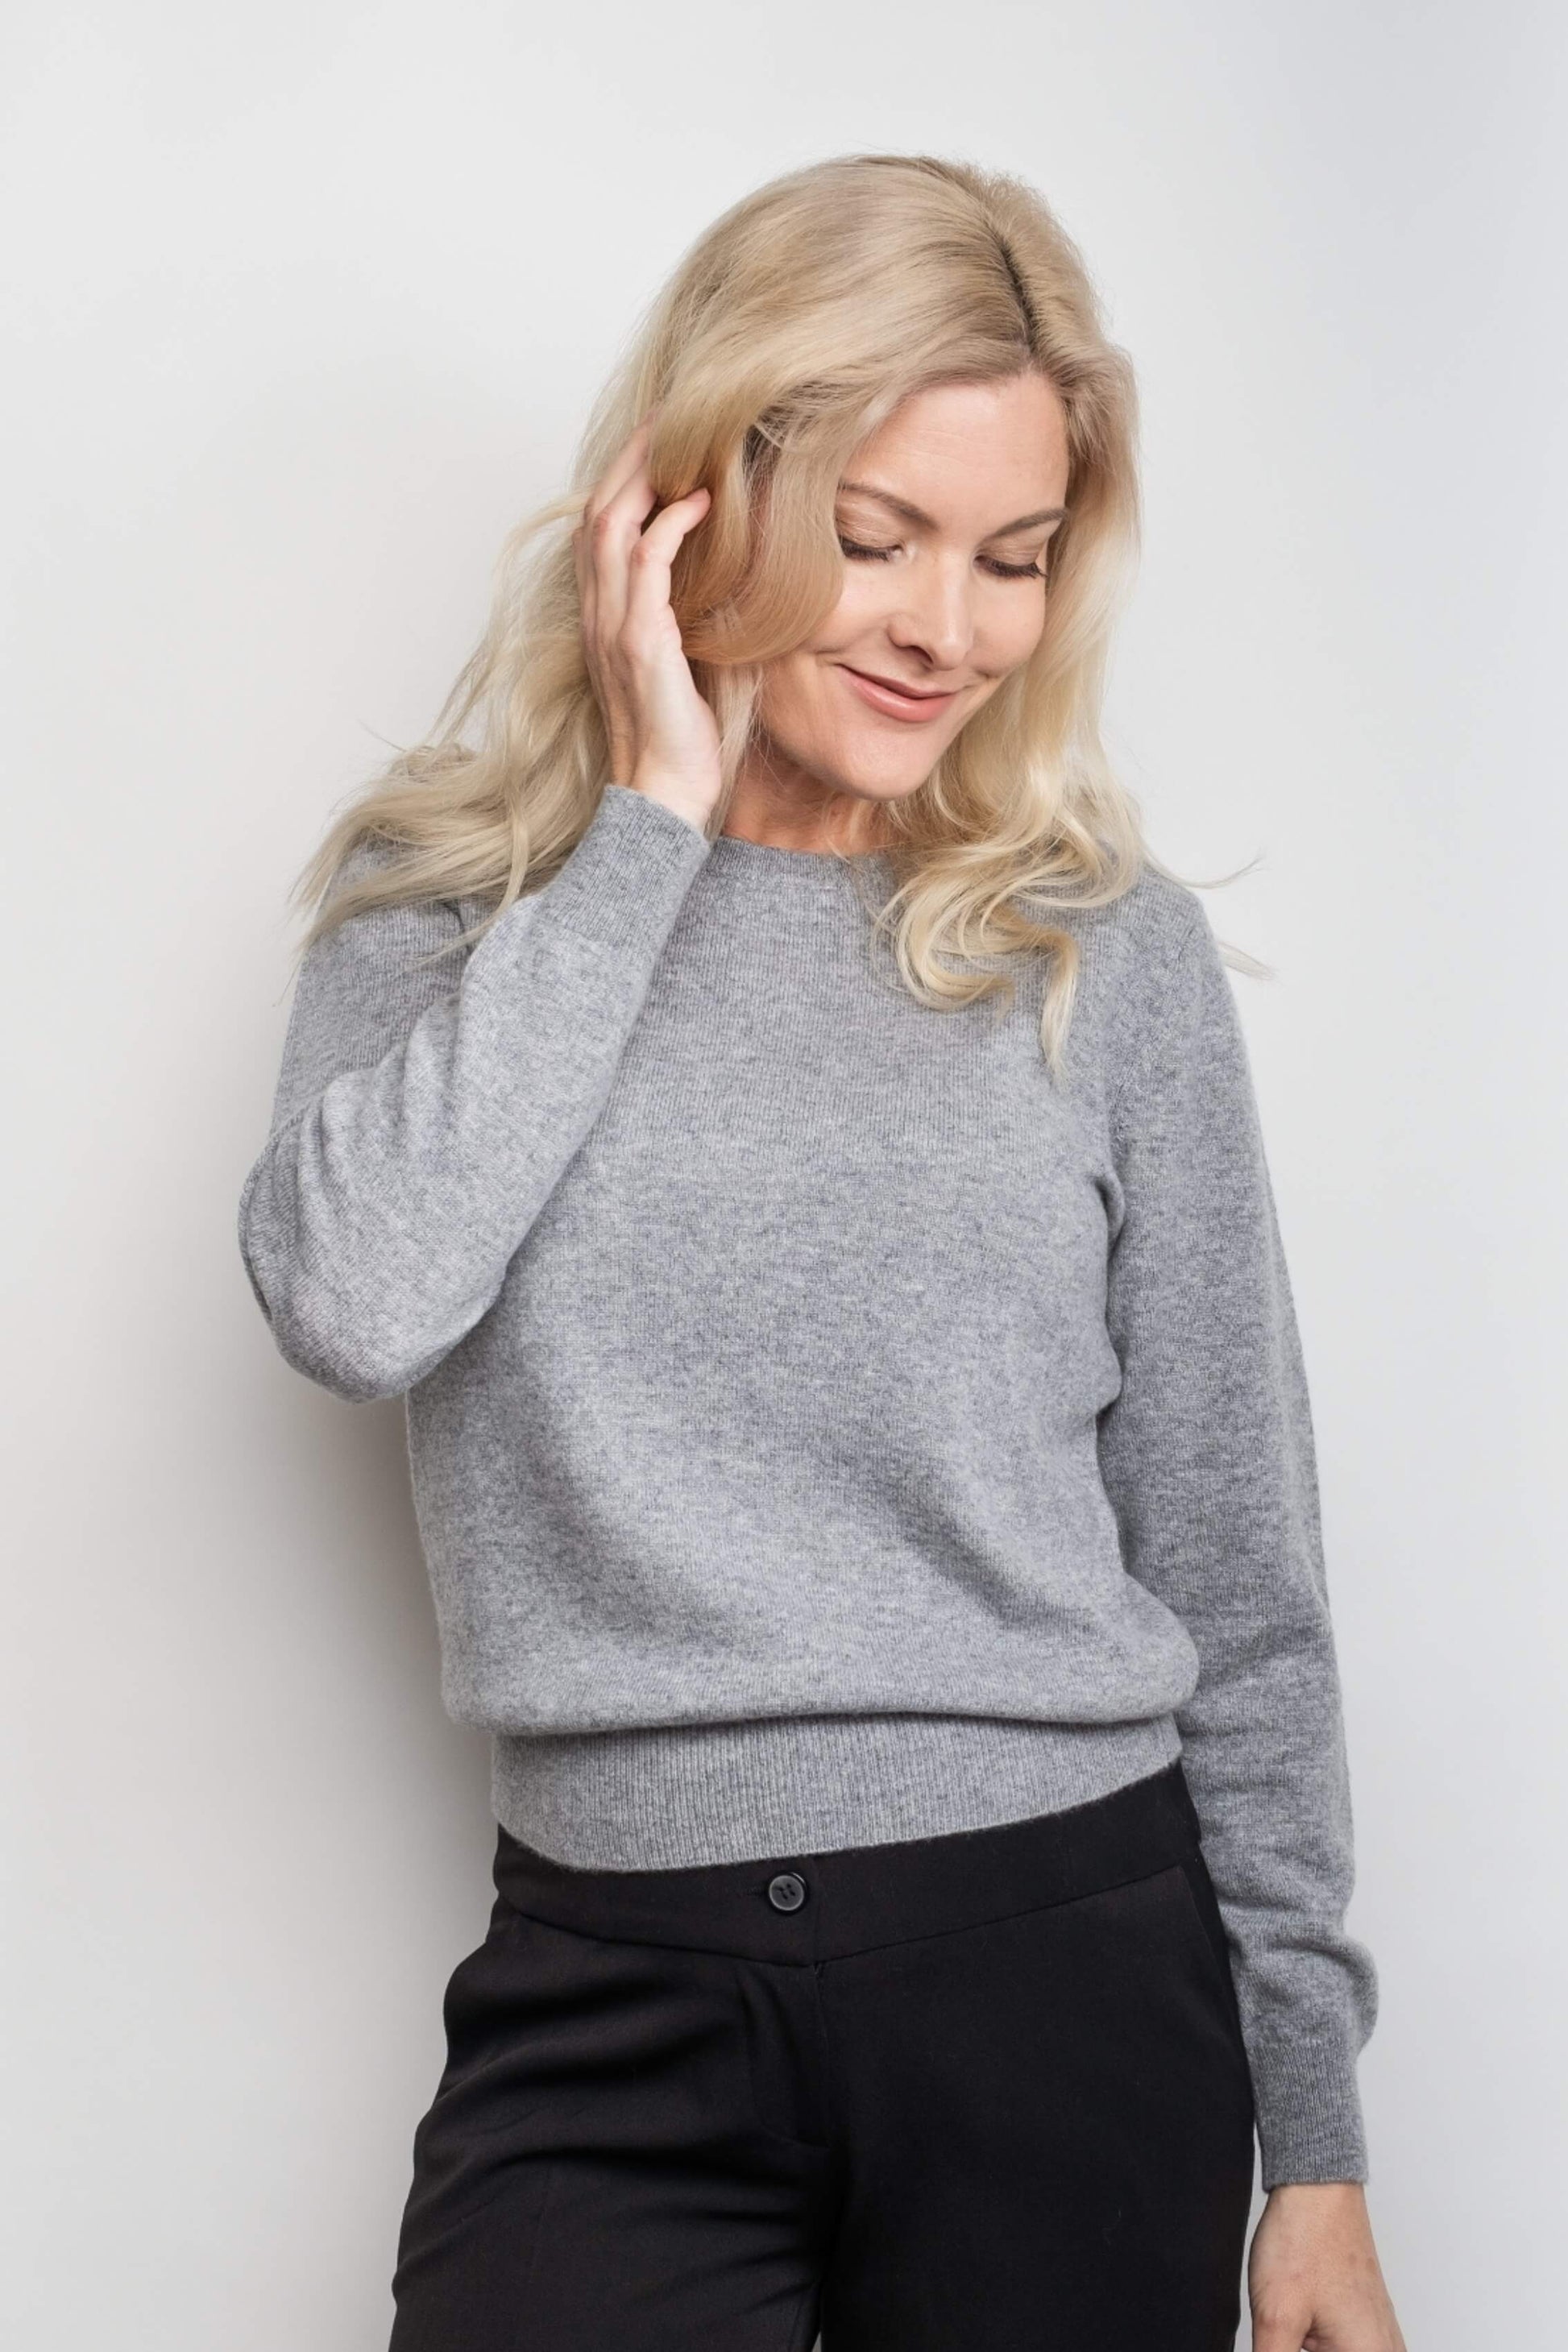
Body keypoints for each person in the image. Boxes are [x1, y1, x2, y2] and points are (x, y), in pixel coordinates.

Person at [237, 152, 1406, 2351]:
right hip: (608, 1993)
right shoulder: (449, 906)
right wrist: (647, 834)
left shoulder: (1096, 952)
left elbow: (1239, 1573)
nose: (947, 627)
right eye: (875, 536)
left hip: (1062, 1982)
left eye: (1012, 559)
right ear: (690, 505)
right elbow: (349, 1300)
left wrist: (1318, 2149)